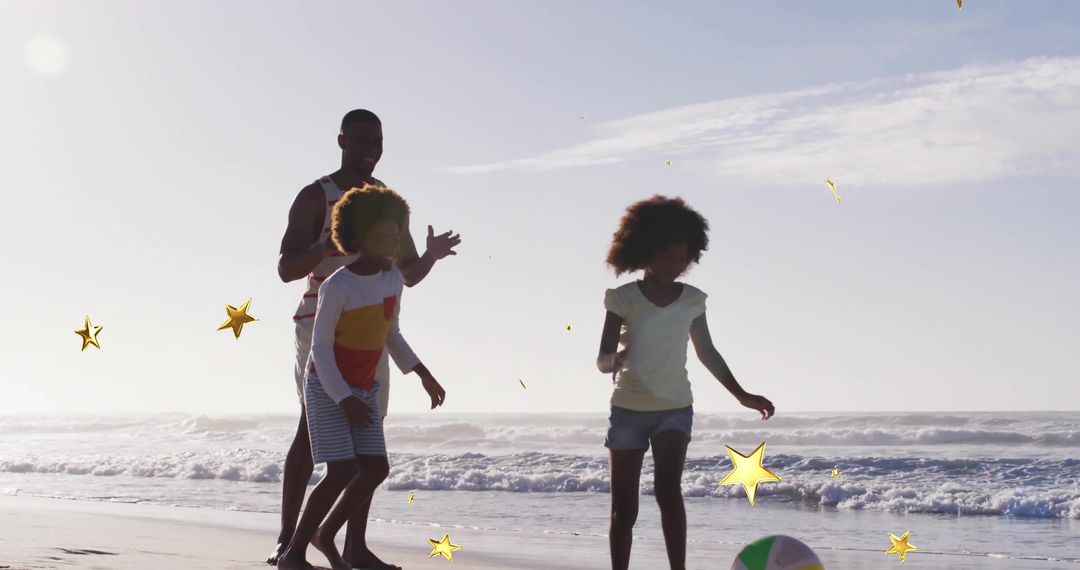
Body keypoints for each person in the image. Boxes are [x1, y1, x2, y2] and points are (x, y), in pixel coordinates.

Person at [273, 109, 460, 568]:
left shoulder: (388, 202)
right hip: (319, 322)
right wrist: (325, 248)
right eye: (360, 141)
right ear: (341, 140)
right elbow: (285, 267)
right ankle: (288, 542)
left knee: (367, 436)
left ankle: (354, 546)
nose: (369, 151)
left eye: (376, 142)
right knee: (310, 432)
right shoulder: (316, 196)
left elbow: (407, 273)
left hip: (373, 330)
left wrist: (432, 257)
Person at [595, 195, 775, 570]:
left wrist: (741, 394)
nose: (675, 266)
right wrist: (616, 359)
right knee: (624, 508)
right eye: (666, 257)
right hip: (628, 410)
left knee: (668, 490)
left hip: (675, 410)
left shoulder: (693, 301)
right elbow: (601, 360)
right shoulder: (622, 299)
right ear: (645, 253)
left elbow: (707, 352)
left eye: (682, 259)